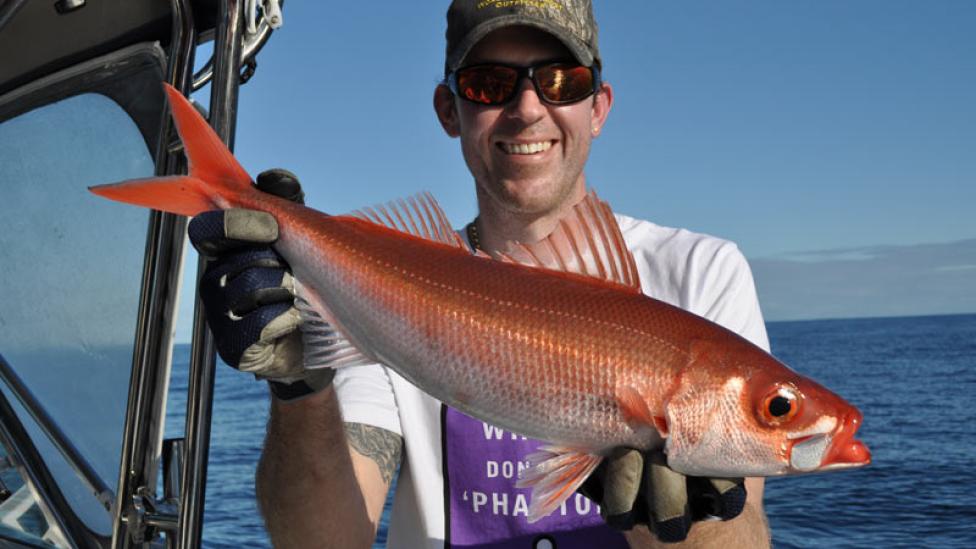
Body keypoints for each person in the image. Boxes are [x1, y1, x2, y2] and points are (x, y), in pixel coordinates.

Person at [188, 2, 773, 547]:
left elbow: (746, 535)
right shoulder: (384, 288)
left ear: (598, 107)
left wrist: (678, 523)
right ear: (449, 110)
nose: (526, 109)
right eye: (489, 84)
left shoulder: (701, 272)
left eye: (561, 81)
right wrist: (300, 390)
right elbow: (325, 540)